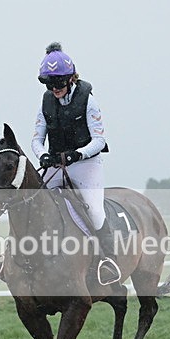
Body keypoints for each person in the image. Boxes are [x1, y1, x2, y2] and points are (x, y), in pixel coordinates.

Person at [32, 42, 121, 284]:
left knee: (94, 209)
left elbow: (99, 140)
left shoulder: (88, 100)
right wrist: (42, 155)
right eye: (49, 84)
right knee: (32, 202)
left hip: (86, 164)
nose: (54, 88)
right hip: (56, 164)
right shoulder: (46, 102)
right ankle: (17, 256)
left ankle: (108, 260)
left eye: (59, 83)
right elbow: (37, 139)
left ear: (71, 78)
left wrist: (78, 154)